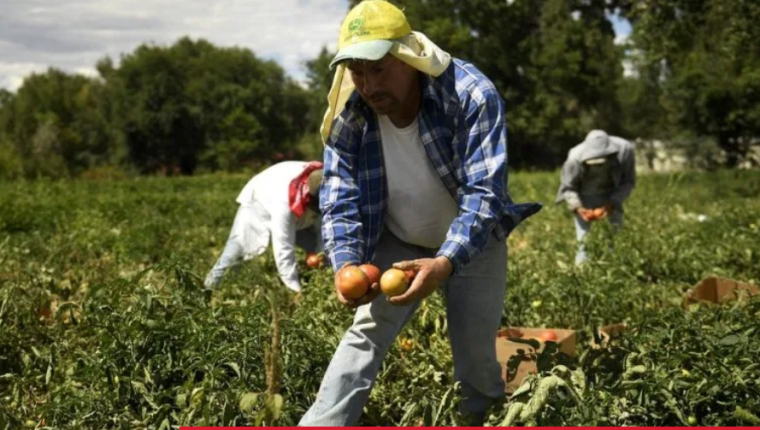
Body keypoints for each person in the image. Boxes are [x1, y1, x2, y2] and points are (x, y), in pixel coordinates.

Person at [300, 1, 542, 425]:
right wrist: (346, 265)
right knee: (365, 335)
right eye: (356, 71)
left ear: (409, 58)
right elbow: (340, 197)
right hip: (399, 237)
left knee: (475, 355)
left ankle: (480, 420)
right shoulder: (351, 115)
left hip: (474, 240)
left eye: (378, 68)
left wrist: (445, 261)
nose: (368, 84)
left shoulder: (468, 94)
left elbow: (484, 191)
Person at [204, 161, 323, 294]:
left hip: (299, 211)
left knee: (319, 249)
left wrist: (321, 259)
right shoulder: (284, 202)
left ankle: (318, 278)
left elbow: (325, 232)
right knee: (233, 254)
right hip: (259, 202)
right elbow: (283, 248)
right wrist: (295, 289)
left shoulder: (326, 180)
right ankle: (208, 289)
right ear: (309, 197)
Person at [555, 129, 636, 265]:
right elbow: (568, 187)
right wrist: (578, 207)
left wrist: (612, 203)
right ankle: (582, 269)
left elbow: (628, 182)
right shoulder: (575, 157)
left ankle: (615, 265)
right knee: (583, 240)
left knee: (615, 234)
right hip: (585, 193)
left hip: (612, 191)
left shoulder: (625, 150)